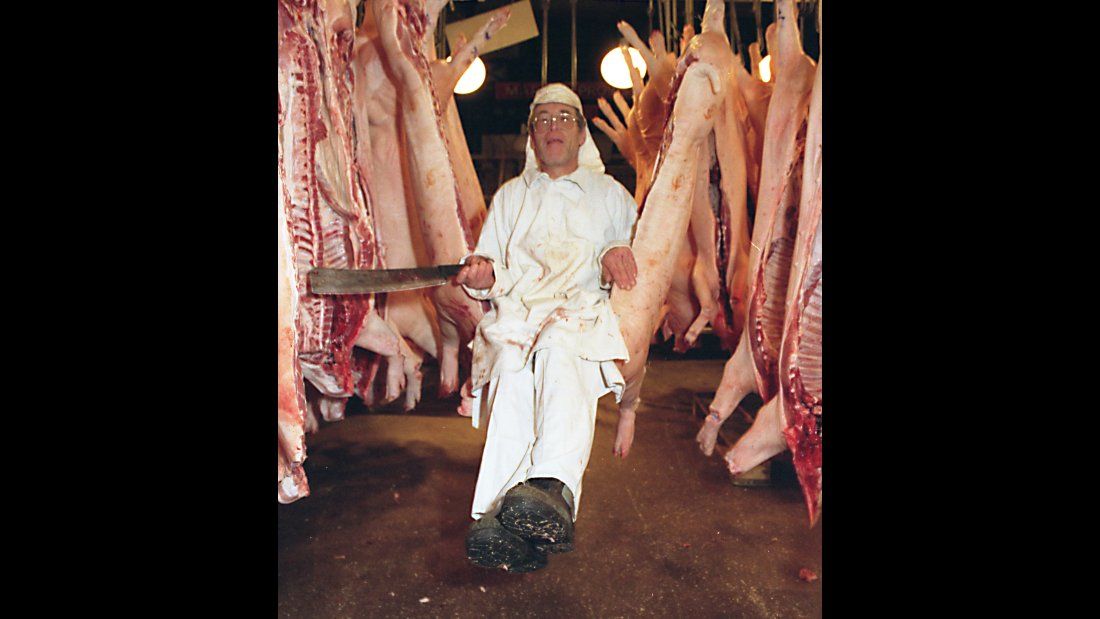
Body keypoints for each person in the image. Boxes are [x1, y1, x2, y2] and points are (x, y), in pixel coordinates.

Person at [454, 83, 640, 572]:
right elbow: (492, 266)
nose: (553, 127)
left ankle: (553, 487)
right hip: (518, 313)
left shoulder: (611, 195)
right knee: (512, 374)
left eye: (563, 118)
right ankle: (501, 520)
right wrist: (482, 274)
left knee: (557, 349)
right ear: (531, 137)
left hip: (578, 311)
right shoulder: (511, 196)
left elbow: (623, 250)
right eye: (543, 120)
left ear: (581, 135)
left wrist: (615, 255)